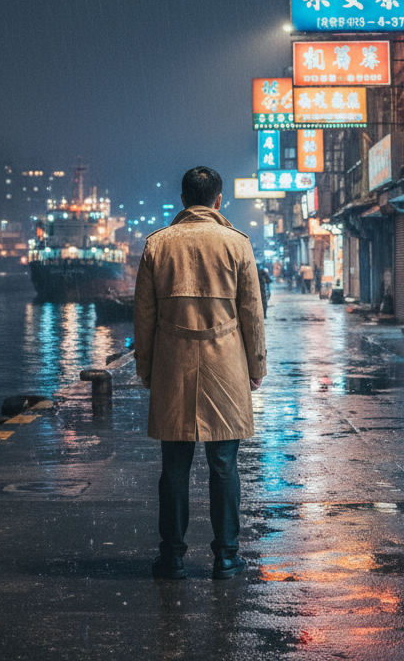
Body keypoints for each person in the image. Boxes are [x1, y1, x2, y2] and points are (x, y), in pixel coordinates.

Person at [133, 166, 267, 580]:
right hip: (226, 367)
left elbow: (144, 317)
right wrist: (257, 366)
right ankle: (226, 556)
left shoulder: (157, 245)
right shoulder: (237, 244)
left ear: (182, 199)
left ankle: (172, 556)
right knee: (224, 465)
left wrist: (146, 368)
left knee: (174, 467)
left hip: (173, 366)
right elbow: (252, 314)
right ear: (218, 200)